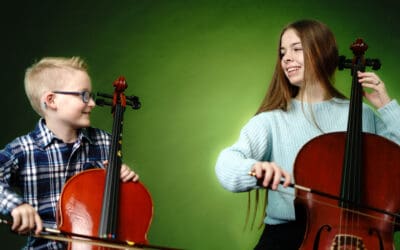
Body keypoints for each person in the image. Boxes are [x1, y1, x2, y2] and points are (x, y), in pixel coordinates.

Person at [215, 19, 400, 249]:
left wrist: (387, 107)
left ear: (321, 53)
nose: (286, 59)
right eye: (283, 52)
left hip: (363, 234)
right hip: (287, 239)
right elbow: (226, 163)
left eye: (296, 49)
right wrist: (253, 169)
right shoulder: (272, 120)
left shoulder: (362, 114)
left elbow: (395, 164)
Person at [0, 56, 140, 249]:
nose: (91, 103)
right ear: (51, 100)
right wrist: (16, 205)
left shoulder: (105, 142)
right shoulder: (23, 149)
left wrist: (125, 181)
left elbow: (116, 210)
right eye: (84, 95)